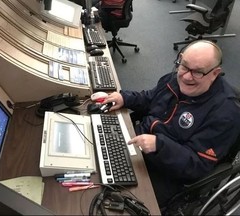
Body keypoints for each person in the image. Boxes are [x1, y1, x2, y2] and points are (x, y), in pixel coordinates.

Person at [102, 40, 240, 209]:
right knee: (95, 158)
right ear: (180, 59)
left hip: (167, 172)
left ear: (215, 73)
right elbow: (150, 98)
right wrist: (125, 98)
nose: (187, 76)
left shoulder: (225, 113)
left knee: (104, 197)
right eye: (184, 66)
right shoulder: (177, 76)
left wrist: (159, 145)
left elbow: (197, 165)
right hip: (139, 144)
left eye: (198, 72)